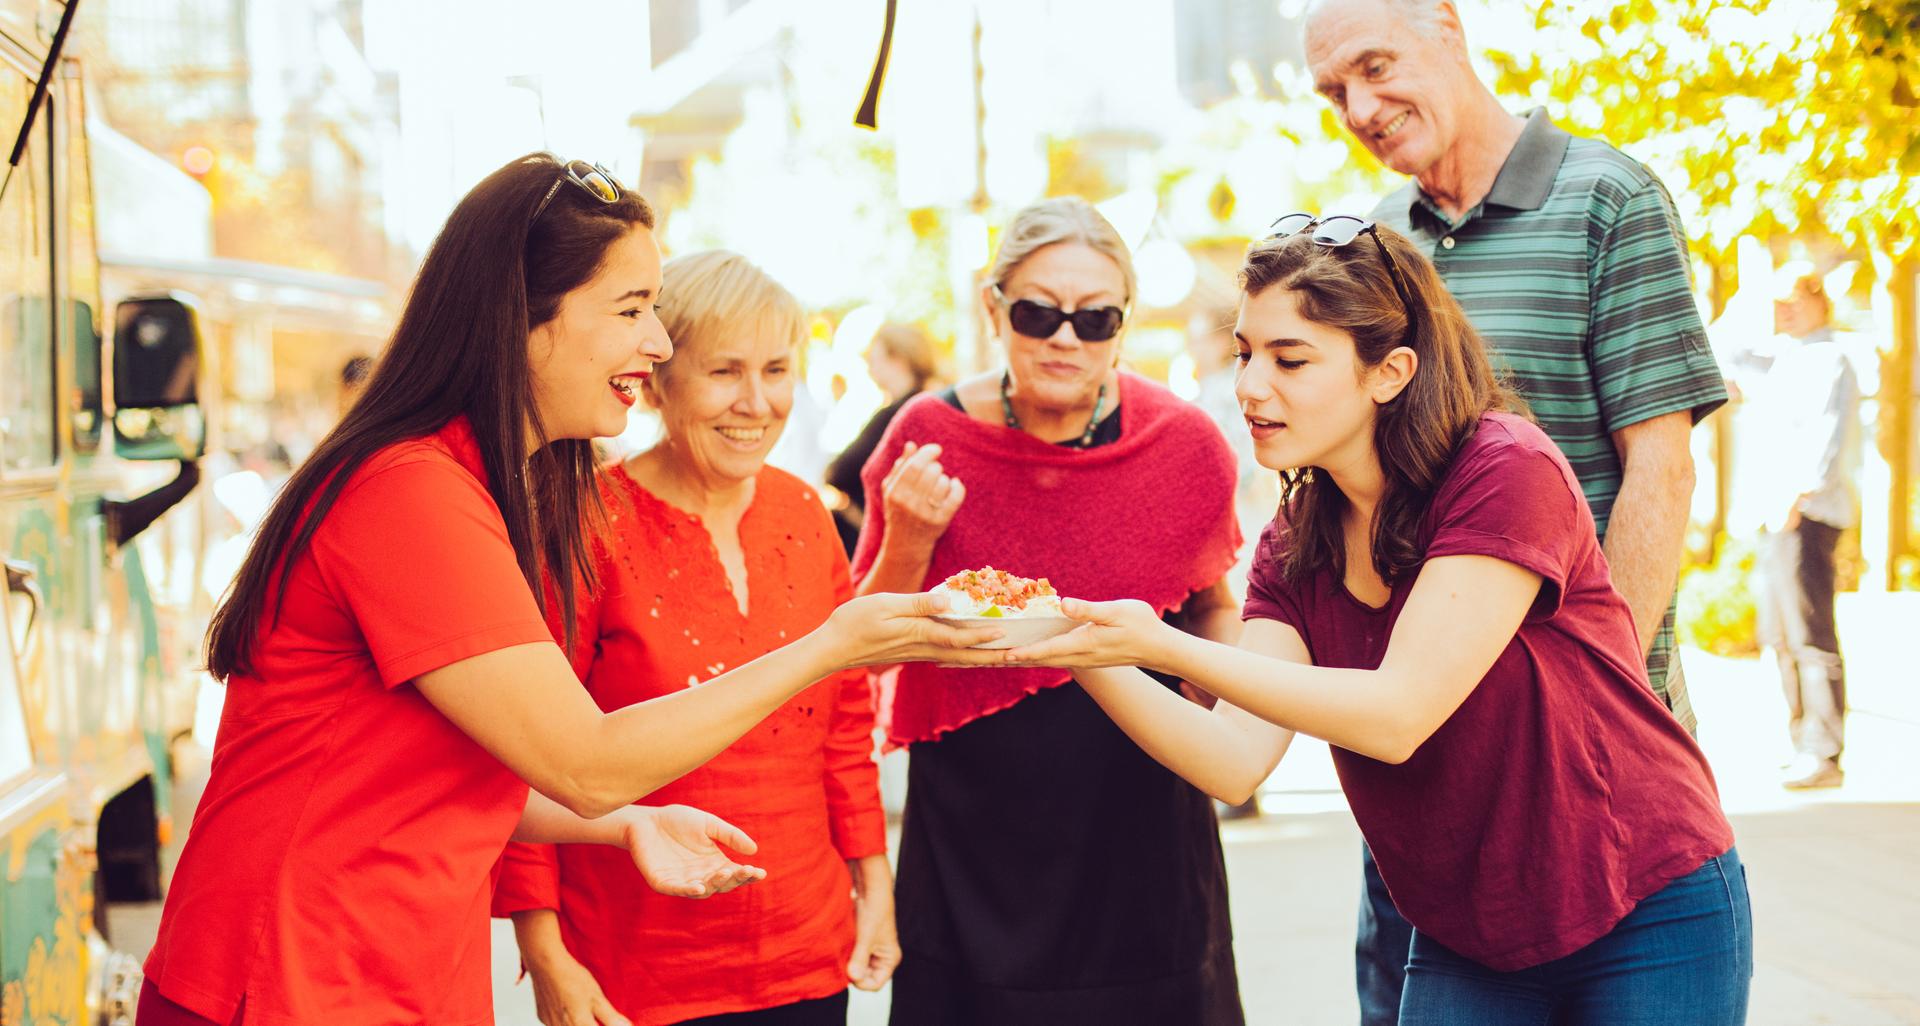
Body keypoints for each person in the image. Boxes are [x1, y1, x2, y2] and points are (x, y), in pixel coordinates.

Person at [134, 155, 997, 1026]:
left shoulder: (477, 485)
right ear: (522, 320)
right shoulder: (411, 492)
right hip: (295, 977)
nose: (657, 343)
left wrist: (622, 828)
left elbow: (447, 776)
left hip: (389, 970)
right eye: (631, 310)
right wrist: (835, 644)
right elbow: (584, 761)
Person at [1008, 217, 1750, 1024]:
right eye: (1246, 352)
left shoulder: (1505, 469)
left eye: (1290, 359)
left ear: (1390, 371)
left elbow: (1398, 715)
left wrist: (1159, 641)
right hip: (1469, 927)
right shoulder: (1296, 541)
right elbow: (1232, 759)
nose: (1251, 386)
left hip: (1643, 902)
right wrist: (1082, 650)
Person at [1305, 2, 1728, 1016]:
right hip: (1428, 775)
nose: (1360, 107)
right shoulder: (1371, 244)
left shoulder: (1607, 199)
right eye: (1333, 92)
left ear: (1449, 29)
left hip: (1588, 784)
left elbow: (1658, 474)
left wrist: (1595, 712)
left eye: (1376, 66)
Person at [853, 197, 1247, 1025]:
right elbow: (860, 649)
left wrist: (1214, 720)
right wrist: (913, 538)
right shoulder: (926, 433)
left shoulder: (1184, 444)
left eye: (1095, 319)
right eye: (1037, 313)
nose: (1065, 338)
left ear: (1123, 324)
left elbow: (1215, 610)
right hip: (971, 829)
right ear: (995, 311)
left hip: (1140, 813)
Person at [494, 250, 893, 1026]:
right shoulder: (585, 522)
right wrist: (544, 954)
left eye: (777, 370)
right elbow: (525, 755)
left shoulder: (807, 515)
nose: (756, 402)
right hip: (634, 967)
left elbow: (845, 726)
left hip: (807, 952)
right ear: (660, 379)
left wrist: (874, 887)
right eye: (724, 372)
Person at [1748, 265, 1859, 790]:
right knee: (1779, 635)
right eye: (1776, 302)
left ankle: (1824, 752)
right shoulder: (1781, 357)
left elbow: (1828, 441)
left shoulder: (1829, 358)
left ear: (1818, 301)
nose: (1782, 309)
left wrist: (1798, 498)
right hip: (1775, 517)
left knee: (1810, 634)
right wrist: (1754, 302)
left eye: (1791, 299)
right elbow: (1722, 349)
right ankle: (1801, 744)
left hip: (1805, 516)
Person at [826, 322, 939, 555]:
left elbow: (840, 472)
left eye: (873, 360)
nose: (869, 369)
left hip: (886, 538)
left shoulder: (902, 411)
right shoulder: (936, 403)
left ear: (897, 359)